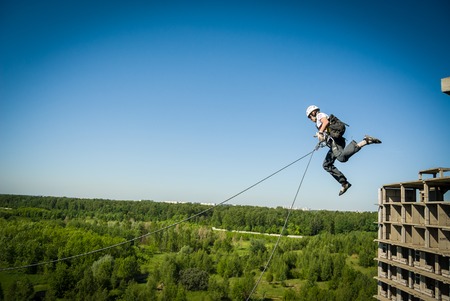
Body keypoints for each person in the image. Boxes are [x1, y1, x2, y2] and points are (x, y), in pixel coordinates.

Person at [306, 105, 381, 196]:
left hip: (336, 142)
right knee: (326, 164)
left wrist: (320, 132)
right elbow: (327, 132)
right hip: (335, 142)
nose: (310, 119)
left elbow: (325, 122)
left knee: (341, 158)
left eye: (310, 116)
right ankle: (344, 183)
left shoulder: (319, 115)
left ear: (313, 112)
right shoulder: (318, 123)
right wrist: (321, 141)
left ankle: (365, 141)